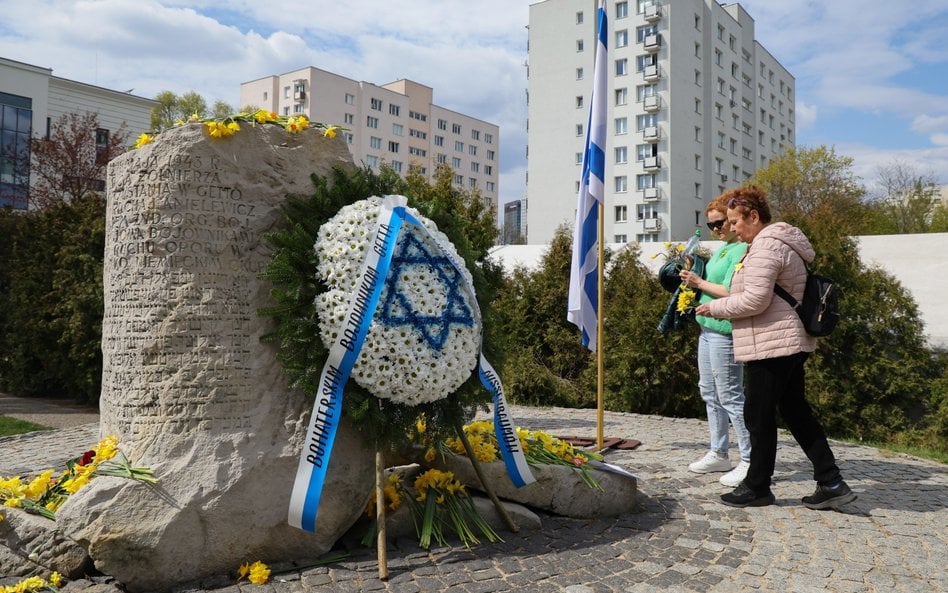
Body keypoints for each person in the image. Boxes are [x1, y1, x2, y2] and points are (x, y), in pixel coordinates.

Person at [694, 185, 856, 510]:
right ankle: (831, 481)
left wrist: (716, 308)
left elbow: (756, 299)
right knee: (795, 411)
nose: (732, 228)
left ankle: (757, 486)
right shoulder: (775, 243)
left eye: (736, 221)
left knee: (759, 415)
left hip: (773, 343)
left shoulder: (767, 246)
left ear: (754, 217)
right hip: (785, 340)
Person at [679, 196, 751, 487]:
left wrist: (699, 283)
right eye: (711, 225)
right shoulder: (724, 249)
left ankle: (750, 458)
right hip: (707, 329)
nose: (717, 229)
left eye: (721, 223)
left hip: (725, 330)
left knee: (731, 395)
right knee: (709, 392)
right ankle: (719, 451)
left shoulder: (742, 250)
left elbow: (732, 290)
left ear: (733, 221)